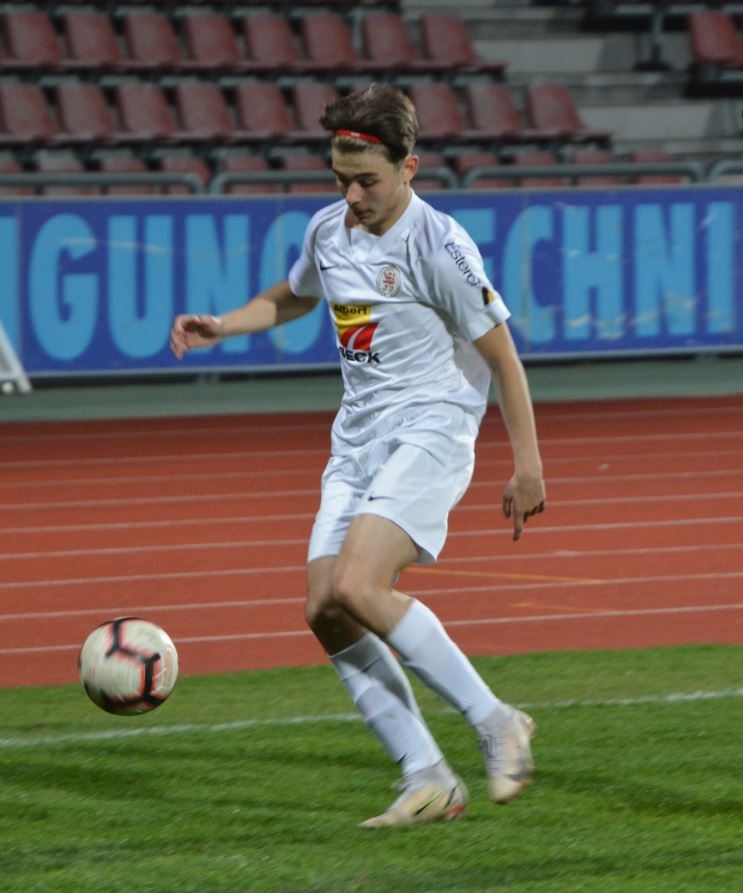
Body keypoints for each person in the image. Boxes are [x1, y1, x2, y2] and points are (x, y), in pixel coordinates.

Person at [169, 84, 546, 828]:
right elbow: (294, 295)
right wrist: (224, 325)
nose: (351, 195)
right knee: (325, 608)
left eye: (366, 180)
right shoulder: (329, 230)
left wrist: (527, 463)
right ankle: (427, 777)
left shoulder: (439, 246)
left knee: (358, 583)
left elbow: (503, 356)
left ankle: (496, 718)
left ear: (409, 168)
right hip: (358, 439)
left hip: (431, 429)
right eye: (340, 178)